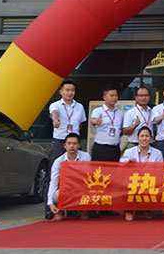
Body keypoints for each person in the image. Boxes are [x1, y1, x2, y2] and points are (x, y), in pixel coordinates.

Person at [46, 79, 86, 219]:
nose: (70, 93)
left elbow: (80, 124)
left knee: (75, 177)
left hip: (74, 142)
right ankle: (50, 207)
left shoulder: (79, 107)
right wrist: (55, 121)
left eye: (72, 90)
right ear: (61, 91)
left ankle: (72, 207)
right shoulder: (55, 105)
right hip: (59, 143)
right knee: (54, 175)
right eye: (67, 90)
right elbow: (55, 113)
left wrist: (74, 138)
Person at [119, 126, 163, 221]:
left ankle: (148, 209)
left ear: (151, 138)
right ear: (138, 138)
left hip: (150, 181)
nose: (144, 139)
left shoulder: (157, 153)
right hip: (134, 181)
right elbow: (120, 167)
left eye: (147, 136)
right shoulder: (129, 152)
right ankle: (129, 211)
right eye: (142, 136)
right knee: (128, 185)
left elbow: (160, 171)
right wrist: (128, 163)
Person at [47, 133, 90, 221]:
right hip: (66, 190)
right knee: (57, 195)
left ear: (79, 146)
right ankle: (61, 211)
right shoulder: (58, 162)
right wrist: (50, 203)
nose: (71, 146)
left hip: (82, 188)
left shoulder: (86, 157)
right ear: (64, 146)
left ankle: (83, 211)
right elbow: (54, 182)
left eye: (74, 143)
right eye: (69, 143)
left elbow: (89, 176)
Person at [90, 85, 123, 162]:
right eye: (112, 96)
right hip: (101, 147)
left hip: (115, 148)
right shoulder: (98, 111)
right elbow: (92, 120)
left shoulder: (120, 113)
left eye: (116, 96)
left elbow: (121, 130)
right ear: (104, 97)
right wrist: (96, 121)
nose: (114, 98)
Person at [122, 86, 154, 150]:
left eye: (146, 95)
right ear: (136, 98)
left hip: (149, 144)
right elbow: (125, 132)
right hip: (134, 144)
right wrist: (135, 125)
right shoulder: (130, 113)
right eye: (141, 95)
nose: (143, 98)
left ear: (149, 97)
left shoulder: (152, 112)